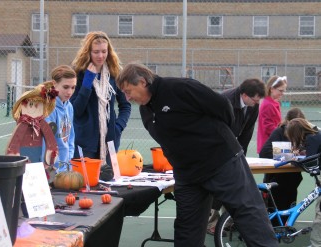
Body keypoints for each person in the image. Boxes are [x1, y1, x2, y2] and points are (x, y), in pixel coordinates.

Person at [116, 62, 278, 247]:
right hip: (188, 175)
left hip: (221, 162)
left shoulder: (180, 88)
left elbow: (223, 106)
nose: (127, 98)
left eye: (129, 91)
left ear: (143, 82)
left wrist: (213, 140)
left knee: (249, 216)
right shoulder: (146, 109)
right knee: (187, 230)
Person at [207, 78, 266, 235]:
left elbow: (247, 132)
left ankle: (230, 220)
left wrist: (241, 156)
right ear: (244, 95)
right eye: (254, 100)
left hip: (233, 146)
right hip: (215, 146)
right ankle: (211, 222)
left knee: (236, 184)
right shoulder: (224, 101)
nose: (256, 103)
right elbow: (216, 130)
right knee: (218, 185)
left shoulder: (253, 105)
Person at [70, 31, 131, 181]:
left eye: (104, 51)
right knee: (84, 184)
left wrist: (118, 128)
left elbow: (125, 105)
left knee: (109, 184)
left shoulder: (114, 74)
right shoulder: (78, 74)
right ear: (88, 52)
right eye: (96, 52)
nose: (100, 56)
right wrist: (87, 82)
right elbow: (76, 110)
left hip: (109, 141)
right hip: (84, 142)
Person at [259, 108, 305, 210]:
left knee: (289, 207)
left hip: (292, 179)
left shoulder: (303, 133)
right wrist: (289, 153)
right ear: (288, 122)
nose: (296, 130)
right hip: (276, 179)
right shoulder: (279, 132)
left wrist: (302, 152)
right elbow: (264, 153)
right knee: (276, 210)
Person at [285, 118, 321, 247]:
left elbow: (309, 161)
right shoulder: (315, 134)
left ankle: (317, 243)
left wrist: (293, 161)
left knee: (320, 212)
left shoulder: (312, 138)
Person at [42, 65, 76, 173]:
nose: (70, 92)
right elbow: (47, 142)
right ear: (54, 84)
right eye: (65, 87)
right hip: (52, 171)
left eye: (73, 87)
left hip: (65, 168)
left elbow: (70, 138)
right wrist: (51, 170)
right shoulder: (49, 108)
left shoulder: (69, 106)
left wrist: (69, 163)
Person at [257, 75, 287, 154]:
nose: (282, 93)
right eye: (280, 91)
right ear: (272, 89)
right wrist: (284, 134)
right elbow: (269, 128)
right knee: (285, 161)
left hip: (274, 143)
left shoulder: (273, 102)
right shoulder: (268, 104)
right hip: (270, 146)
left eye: (284, 91)